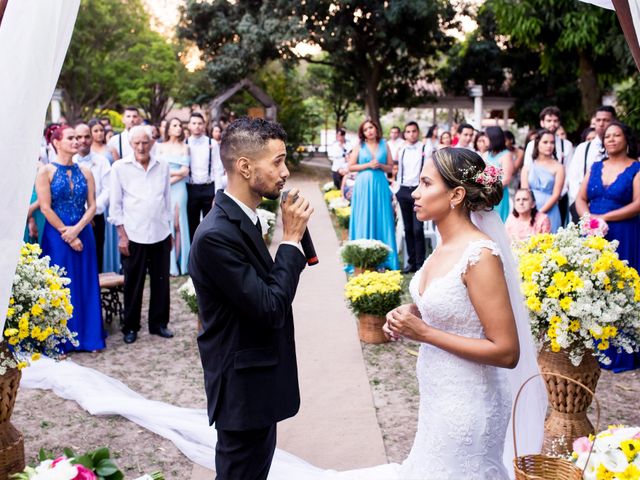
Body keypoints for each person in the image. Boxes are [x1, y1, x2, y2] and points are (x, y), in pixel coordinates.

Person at [376, 147, 545, 479]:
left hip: (469, 405)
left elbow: (507, 351)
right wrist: (412, 313)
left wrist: (423, 333)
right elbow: (455, 305)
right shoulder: (443, 244)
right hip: (438, 395)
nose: (415, 193)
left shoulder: (480, 256)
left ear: (455, 194)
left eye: (426, 183)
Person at [189, 117, 312, 480]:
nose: (285, 171)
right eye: (277, 161)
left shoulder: (243, 218)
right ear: (245, 166)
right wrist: (290, 240)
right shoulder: (216, 235)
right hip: (241, 386)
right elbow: (270, 307)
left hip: (258, 379)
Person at [576, 121, 640, 372]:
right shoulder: (594, 167)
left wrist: (606, 218)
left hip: (624, 231)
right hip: (593, 233)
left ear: (626, 139)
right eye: (607, 136)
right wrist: (588, 219)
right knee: (593, 285)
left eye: (617, 135)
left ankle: (621, 349)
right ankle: (592, 345)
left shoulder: (636, 168)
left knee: (620, 286)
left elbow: (638, 204)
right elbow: (581, 198)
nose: (611, 139)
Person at [35, 125, 105, 352]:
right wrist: (67, 233)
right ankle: (59, 341)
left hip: (83, 231)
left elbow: (92, 205)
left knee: (85, 282)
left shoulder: (86, 172)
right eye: (71, 138)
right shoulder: (45, 172)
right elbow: (45, 208)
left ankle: (89, 337)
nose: (76, 141)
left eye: (77, 138)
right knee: (60, 286)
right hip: (57, 235)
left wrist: (78, 229)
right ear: (56, 142)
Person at [109, 125, 173, 344]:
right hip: (133, 234)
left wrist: (170, 230)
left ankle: (159, 324)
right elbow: (115, 205)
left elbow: (166, 200)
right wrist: (122, 236)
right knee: (133, 284)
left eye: (145, 142)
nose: (141, 147)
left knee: (161, 282)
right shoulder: (119, 167)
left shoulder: (162, 165)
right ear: (130, 144)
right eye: (136, 143)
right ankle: (131, 327)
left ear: (152, 143)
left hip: (160, 232)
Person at [348, 119, 399, 269]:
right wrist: (368, 165)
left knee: (382, 217)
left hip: (380, 185)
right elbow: (350, 167)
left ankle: (385, 259)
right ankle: (361, 258)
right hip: (363, 186)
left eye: (371, 127)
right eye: (365, 129)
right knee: (363, 216)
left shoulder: (385, 144)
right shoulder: (359, 146)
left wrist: (381, 165)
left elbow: (390, 168)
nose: (369, 131)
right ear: (362, 133)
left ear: (376, 129)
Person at [523, 106, 573, 226]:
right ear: (542, 122)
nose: (552, 124)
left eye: (555, 121)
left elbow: (569, 171)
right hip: (531, 201)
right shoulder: (531, 145)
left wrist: (559, 195)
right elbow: (528, 170)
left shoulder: (566, 145)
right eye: (549, 120)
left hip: (557, 196)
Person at [567, 106, 617, 221]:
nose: (601, 124)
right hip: (584, 208)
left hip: (614, 208)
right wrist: (581, 204)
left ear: (614, 122)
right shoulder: (583, 148)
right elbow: (573, 179)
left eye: (606, 120)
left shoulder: (624, 148)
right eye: (598, 120)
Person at [74, 122, 111, 273]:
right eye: (79, 137)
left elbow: (108, 189)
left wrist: (92, 212)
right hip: (73, 219)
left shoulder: (102, 161)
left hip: (96, 218)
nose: (83, 140)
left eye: (86, 136)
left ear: (92, 138)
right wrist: (83, 214)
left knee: (96, 257)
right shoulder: (70, 161)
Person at [156, 117, 191, 276]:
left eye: (180, 125)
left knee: (178, 224)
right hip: (162, 189)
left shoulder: (185, 147)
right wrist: (167, 179)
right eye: (175, 125)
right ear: (168, 129)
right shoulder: (159, 147)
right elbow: (156, 169)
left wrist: (168, 178)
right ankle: (167, 264)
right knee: (164, 224)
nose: (178, 128)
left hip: (178, 188)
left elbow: (185, 171)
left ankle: (180, 263)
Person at [186, 112, 224, 242]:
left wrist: (217, 193)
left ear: (204, 125)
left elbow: (217, 169)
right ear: (189, 126)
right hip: (191, 189)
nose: (197, 126)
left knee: (210, 224)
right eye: (194, 123)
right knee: (192, 224)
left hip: (208, 188)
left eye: (199, 123)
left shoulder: (212, 143)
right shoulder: (185, 143)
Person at [521, 130, 564, 233]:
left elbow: (556, 195)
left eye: (552, 142)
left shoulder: (559, 167)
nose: (549, 146)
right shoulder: (527, 167)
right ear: (537, 144)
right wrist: (531, 212)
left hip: (550, 210)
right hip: (529, 210)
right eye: (545, 142)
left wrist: (540, 213)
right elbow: (524, 192)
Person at [396, 122, 426, 273]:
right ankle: (411, 262)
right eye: (408, 132)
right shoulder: (401, 148)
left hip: (418, 190)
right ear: (405, 134)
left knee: (417, 229)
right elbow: (398, 169)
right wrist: (397, 189)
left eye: (414, 131)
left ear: (418, 132)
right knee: (408, 228)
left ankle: (421, 264)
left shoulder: (425, 148)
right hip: (403, 190)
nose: (411, 134)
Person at [485, 126, 514, 222]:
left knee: (498, 221)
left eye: (486, 136)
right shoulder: (487, 154)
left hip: (499, 194)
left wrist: (491, 188)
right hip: (486, 195)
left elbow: (507, 178)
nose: (484, 139)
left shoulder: (506, 155)